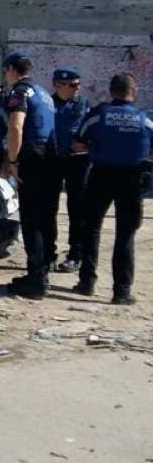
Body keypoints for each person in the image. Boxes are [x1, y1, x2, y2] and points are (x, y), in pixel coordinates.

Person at [71, 73, 152, 305]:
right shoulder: (143, 119)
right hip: (132, 178)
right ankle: (122, 291)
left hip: (101, 175)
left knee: (91, 228)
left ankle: (86, 282)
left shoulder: (98, 115)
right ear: (133, 92)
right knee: (125, 234)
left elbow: (78, 143)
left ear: (111, 91)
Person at [1, 52, 56, 299]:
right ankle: (42, 272)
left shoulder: (19, 92)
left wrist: (12, 161)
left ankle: (36, 281)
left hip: (32, 156)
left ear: (12, 69)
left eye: (5, 72)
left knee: (32, 218)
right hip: (51, 157)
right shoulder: (43, 94)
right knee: (45, 217)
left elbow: (15, 126)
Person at [47, 67, 89, 273]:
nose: (77, 88)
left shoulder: (83, 103)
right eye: (72, 85)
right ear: (57, 85)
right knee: (48, 208)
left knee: (77, 209)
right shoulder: (47, 103)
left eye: (78, 84)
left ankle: (75, 255)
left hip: (77, 162)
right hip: (52, 159)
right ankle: (48, 253)